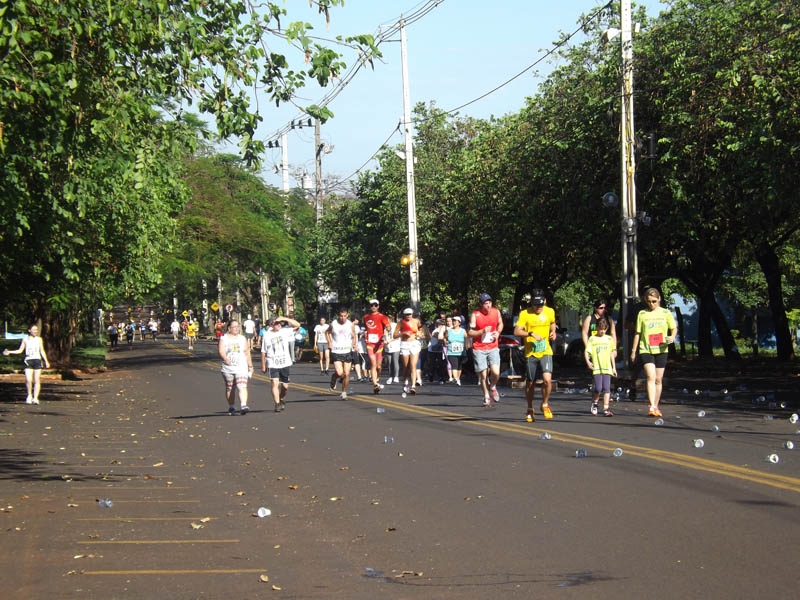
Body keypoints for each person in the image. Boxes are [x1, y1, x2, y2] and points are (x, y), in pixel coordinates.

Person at [631, 287, 677, 418]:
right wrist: (634, 351)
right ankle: (651, 406)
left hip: (662, 349)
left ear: (659, 299)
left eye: (654, 301)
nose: (652, 304)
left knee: (658, 379)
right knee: (650, 376)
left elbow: (674, 328)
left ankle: (656, 406)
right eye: (649, 301)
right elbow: (637, 333)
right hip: (646, 349)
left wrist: (672, 337)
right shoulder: (642, 314)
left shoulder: (665, 313)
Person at [514, 290, 557, 421]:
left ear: (544, 302)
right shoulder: (525, 314)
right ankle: (530, 408)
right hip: (531, 353)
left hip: (546, 351)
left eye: (540, 305)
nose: (538, 308)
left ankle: (545, 404)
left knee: (547, 380)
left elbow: (552, 323)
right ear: (531, 303)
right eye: (536, 305)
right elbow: (516, 331)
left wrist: (554, 332)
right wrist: (530, 334)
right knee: (530, 382)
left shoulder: (549, 311)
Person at [468, 292, 504, 407]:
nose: (488, 305)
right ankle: (487, 396)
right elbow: (470, 332)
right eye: (485, 303)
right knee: (483, 376)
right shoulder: (475, 314)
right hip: (479, 348)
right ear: (481, 304)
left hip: (493, 346)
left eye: (489, 303)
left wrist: (498, 333)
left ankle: (493, 386)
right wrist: (481, 331)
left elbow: (500, 324)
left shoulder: (496, 312)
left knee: (496, 372)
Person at [260, 316, 301, 412]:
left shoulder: (284, 331)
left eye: (279, 323)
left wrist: (284, 318)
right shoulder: (266, 335)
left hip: (284, 363)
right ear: (271, 325)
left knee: (285, 387)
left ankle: (281, 398)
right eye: (276, 323)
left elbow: (298, 325)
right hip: (273, 363)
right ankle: (277, 403)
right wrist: (263, 365)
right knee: (275, 383)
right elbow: (263, 351)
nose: (278, 324)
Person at [3, 324, 50, 405]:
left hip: (37, 360)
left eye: (36, 330)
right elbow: (20, 350)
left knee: (37, 380)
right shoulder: (25, 339)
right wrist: (10, 352)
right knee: (28, 380)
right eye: (34, 329)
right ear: (29, 330)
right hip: (28, 360)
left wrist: (46, 361)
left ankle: (35, 398)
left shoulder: (39, 339)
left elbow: (42, 350)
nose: (36, 331)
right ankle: (29, 395)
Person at [584, 316, 618, 416]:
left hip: (607, 367)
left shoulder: (609, 339)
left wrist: (614, 367)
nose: (602, 331)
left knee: (607, 388)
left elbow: (612, 353)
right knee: (598, 388)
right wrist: (588, 362)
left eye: (604, 329)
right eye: (600, 329)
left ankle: (606, 409)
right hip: (597, 367)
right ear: (597, 328)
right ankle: (595, 403)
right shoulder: (592, 339)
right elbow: (587, 351)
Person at [218, 320, 253, 415]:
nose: (237, 328)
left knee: (242, 385)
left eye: (238, 326)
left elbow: (247, 352)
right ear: (229, 328)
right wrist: (225, 358)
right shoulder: (224, 338)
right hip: (228, 368)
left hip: (241, 366)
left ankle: (243, 405)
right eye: (234, 327)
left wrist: (250, 366)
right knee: (230, 388)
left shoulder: (242, 338)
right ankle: (232, 406)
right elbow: (221, 351)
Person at [326, 307, 357, 400]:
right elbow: (327, 332)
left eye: (344, 316)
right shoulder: (334, 324)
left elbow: (354, 335)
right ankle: (334, 377)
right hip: (336, 350)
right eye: (341, 316)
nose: (343, 318)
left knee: (347, 374)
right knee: (340, 373)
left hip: (347, 350)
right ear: (338, 315)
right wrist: (330, 342)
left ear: (347, 315)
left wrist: (354, 344)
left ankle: (344, 393)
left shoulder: (350, 324)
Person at [394, 308, 424, 395]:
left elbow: (420, 330)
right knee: (405, 366)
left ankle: (413, 386)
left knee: (413, 365)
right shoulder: (400, 323)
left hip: (414, 344)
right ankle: (406, 382)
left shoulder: (416, 321)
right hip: (405, 344)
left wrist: (419, 334)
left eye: (410, 314)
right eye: (407, 314)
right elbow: (395, 335)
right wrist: (403, 333)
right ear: (404, 315)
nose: (409, 316)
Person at [363, 299, 391, 394]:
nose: (373, 307)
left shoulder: (382, 316)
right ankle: (375, 384)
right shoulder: (366, 317)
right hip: (370, 343)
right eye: (371, 305)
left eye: (375, 305)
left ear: (378, 306)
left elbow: (388, 327)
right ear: (369, 306)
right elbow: (366, 329)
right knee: (373, 364)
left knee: (379, 367)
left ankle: (377, 378)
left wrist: (387, 329)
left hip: (379, 344)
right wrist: (364, 334)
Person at [446, 315, 468, 386]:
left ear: (459, 323)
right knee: (454, 365)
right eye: (453, 321)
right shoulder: (449, 331)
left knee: (459, 366)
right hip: (451, 352)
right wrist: (445, 341)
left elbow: (466, 338)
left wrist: (467, 345)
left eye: (455, 321)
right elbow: (444, 337)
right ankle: (455, 378)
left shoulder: (463, 331)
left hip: (461, 352)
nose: (454, 322)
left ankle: (458, 379)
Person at [385, 313, 401, 384]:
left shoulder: (395, 325)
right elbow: (384, 335)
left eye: (387, 320)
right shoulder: (385, 327)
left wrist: (390, 340)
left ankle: (396, 376)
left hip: (395, 346)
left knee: (395, 361)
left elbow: (397, 336)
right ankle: (390, 377)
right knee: (389, 362)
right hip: (388, 347)